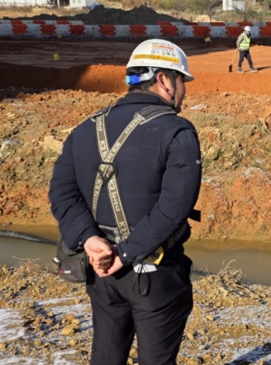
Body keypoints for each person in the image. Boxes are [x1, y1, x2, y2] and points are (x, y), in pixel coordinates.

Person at [48, 39, 202, 365]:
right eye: (182, 81)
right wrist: (127, 253)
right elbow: (174, 208)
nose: (184, 91)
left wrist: (90, 240)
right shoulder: (177, 131)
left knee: (106, 356)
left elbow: (62, 192)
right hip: (155, 273)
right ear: (164, 79)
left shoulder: (85, 128)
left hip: (100, 270)